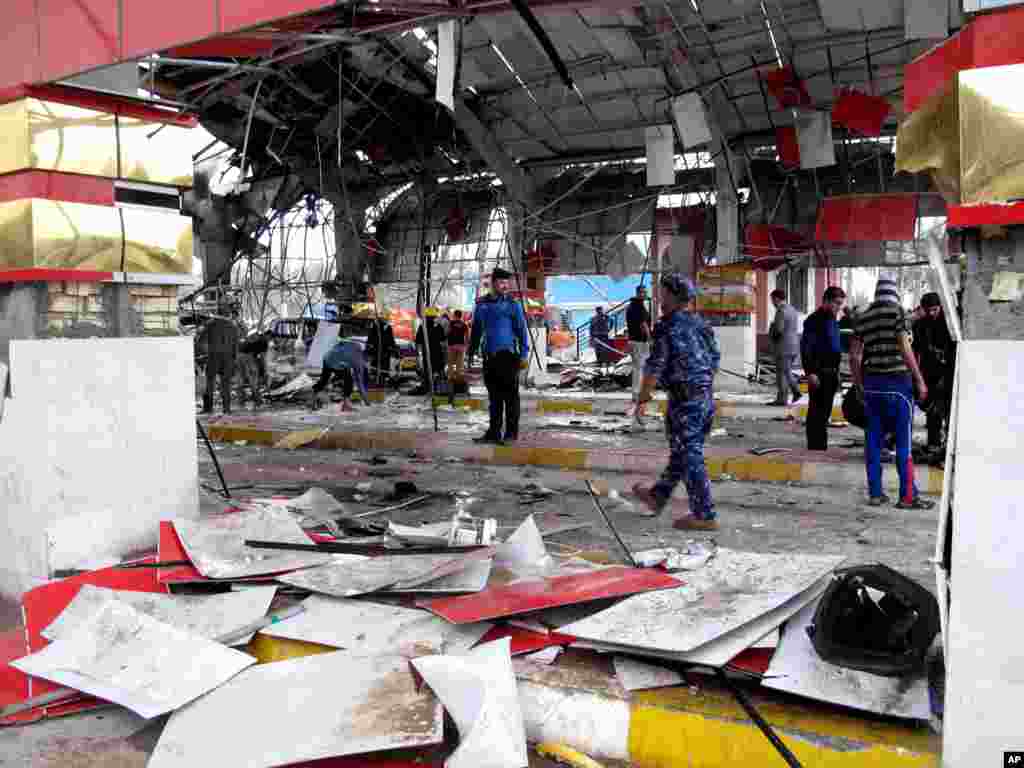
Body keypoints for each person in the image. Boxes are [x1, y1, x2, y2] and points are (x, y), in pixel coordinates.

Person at [632, 274, 720, 531]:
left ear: (673, 296)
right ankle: (658, 496)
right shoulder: (701, 324)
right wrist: (699, 383)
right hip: (704, 397)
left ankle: (704, 514)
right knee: (683, 452)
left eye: (663, 293)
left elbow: (655, 364)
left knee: (690, 454)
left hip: (685, 399)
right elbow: (714, 359)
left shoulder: (666, 326)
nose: (660, 299)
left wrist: (642, 398)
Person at [850, 277, 934, 509]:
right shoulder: (897, 312)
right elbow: (905, 346)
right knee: (903, 442)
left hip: (872, 387)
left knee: (874, 442)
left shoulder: (863, 317)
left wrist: (859, 386)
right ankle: (907, 496)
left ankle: (876, 494)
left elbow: (855, 356)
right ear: (895, 294)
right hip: (898, 386)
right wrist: (919, 380)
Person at [468, 267, 530, 444]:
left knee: (511, 398)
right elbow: (476, 330)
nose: (505, 286)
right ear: (493, 283)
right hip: (489, 357)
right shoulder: (481, 305)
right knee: (494, 398)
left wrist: (524, 354)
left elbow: (521, 331)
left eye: (507, 282)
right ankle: (493, 433)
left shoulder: (513, 305)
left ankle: (511, 434)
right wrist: (471, 352)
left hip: (508, 357)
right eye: (502, 282)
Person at [800, 286, 846, 451]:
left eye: (841, 303)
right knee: (816, 411)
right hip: (819, 373)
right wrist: (810, 372)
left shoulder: (832, 319)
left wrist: (837, 372)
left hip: (831, 373)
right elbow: (806, 349)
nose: (839, 307)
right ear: (826, 301)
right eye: (836, 303)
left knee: (824, 412)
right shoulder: (813, 321)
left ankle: (820, 445)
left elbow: (834, 347)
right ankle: (815, 446)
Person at [912, 292, 956, 452]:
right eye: (927, 310)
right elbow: (915, 350)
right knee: (932, 410)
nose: (931, 313)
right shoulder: (919, 325)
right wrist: (916, 374)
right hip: (928, 372)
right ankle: (934, 444)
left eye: (934, 309)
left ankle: (947, 445)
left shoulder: (950, 324)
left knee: (946, 410)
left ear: (940, 307)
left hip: (948, 373)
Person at [311, 335, 369, 412]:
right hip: (334, 361)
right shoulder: (358, 361)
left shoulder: (356, 346)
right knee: (348, 381)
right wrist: (367, 403)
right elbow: (359, 384)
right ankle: (345, 405)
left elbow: (342, 342)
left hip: (328, 357)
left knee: (324, 380)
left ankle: (313, 400)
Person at [197, 316, 239, 414]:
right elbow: (236, 345)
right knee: (226, 384)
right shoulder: (232, 326)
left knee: (210, 383)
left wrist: (204, 355)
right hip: (228, 358)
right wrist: (234, 360)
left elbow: (201, 342)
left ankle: (208, 408)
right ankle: (226, 409)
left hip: (214, 357)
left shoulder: (210, 324)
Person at [769, 288, 802, 406]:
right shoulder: (792, 309)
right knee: (784, 371)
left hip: (783, 346)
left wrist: (772, 333)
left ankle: (795, 391)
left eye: (772, 299)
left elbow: (779, 329)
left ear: (776, 298)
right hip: (793, 345)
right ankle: (782, 398)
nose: (771, 302)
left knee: (783, 372)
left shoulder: (781, 310)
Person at [626, 285, 652, 406]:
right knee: (639, 368)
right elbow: (643, 324)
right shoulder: (637, 306)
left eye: (646, 292)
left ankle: (639, 393)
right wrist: (650, 338)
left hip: (636, 341)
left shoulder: (634, 306)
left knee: (640, 368)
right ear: (638, 293)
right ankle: (636, 394)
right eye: (643, 292)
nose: (645, 294)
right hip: (639, 341)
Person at [416, 309, 446, 392]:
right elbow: (443, 339)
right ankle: (440, 387)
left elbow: (418, 340)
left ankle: (427, 386)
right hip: (437, 351)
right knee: (439, 369)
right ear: (434, 317)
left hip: (427, 351)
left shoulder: (422, 326)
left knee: (427, 370)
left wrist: (419, 352)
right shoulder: (438, 326)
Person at [366, 316, 397, 386]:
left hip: (383, 352)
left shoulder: (386, 328)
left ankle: (380, 382)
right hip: (378, 352)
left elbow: (391, 340)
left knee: (381, 369)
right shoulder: (375, 328)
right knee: (378, 368)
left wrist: (392, 348)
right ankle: (378, 382)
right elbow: (370, 340)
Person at [447, 310, 469, 389]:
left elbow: (448, 332)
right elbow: (467, 336)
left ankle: (451, 377)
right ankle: (458, 378)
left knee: (450, 363)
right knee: (459, 364)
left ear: (455, 315)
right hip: (461, 346)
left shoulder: (451, 323)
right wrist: (466, 345)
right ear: (461, 316)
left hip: (452, 345)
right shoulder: (464, 324)